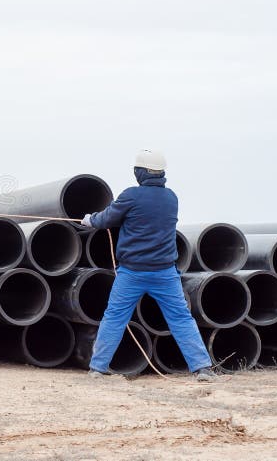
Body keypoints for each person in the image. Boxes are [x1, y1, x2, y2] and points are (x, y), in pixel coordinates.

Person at [80, 149, 215, 382]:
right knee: (181, 318)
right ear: (161, 173)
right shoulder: (171, 198)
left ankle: (98, 369)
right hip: (164, 273)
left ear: (139, 172)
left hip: (132, 272)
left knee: (114, 317)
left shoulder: (131, 195)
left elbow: (106, 219)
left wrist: (90, 219)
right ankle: (203, 369)